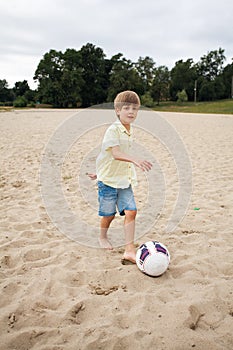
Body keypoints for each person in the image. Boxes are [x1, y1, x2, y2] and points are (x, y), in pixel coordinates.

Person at [88, 90, 152, 264]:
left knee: (131, 211)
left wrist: (98, 171)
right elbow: (115, 154)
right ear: (117, 110)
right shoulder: (113, 130)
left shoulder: (128, 129)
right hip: (108, 182)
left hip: (124, 180)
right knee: (108, 215)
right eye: (126, 108)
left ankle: (129, 250)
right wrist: (136, 160)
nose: (131, 111)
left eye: (135, 108)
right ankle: (102, 237)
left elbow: (106, 156)